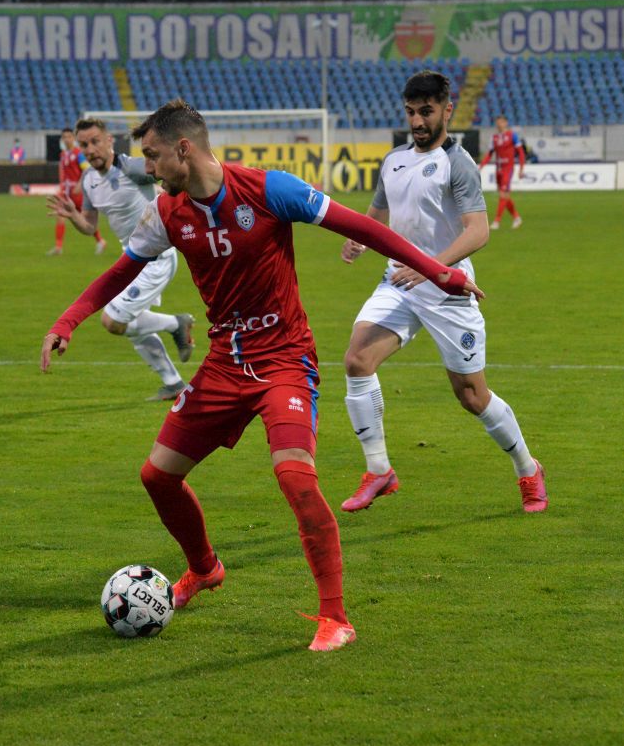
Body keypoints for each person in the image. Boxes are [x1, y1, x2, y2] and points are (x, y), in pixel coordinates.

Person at [41, 99, 483, 651]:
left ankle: (335, 617)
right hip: (224, 363)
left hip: (283, 362)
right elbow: (119, 271)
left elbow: (366, 228)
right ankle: (204, 569)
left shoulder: (271, 189)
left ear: (184, 148)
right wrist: (69, 320)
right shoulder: (166, 214)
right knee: (157, 477)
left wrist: (438, 271)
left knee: (297, 479)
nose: (147, 168)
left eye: (153, 156)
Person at [339, 71, 547, 514]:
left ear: (446, 110)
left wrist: (431, 267)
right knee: (357, 360)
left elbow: (477, 232)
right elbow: (379, 214)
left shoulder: (459, 163)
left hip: (446, 288)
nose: (417, 121)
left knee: (472, 396)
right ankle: (379, 471)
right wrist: (360, 237)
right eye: (411, 112)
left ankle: (528, 468)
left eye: (426, 112)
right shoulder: (393, 160)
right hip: (399, 282)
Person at [48, 117, 196, 401]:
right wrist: (73, 215)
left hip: (157, 257)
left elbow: (177, 175)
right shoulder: (89, 180)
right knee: (130, 325)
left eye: (94, 142)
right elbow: (90, 227)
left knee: (113, 320)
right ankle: (174, 383)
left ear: (109, 141)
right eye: (83, 145)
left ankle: (176, 324)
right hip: (131, 260)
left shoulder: (131, 167)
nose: (90, 150)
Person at [47, 128, 105, 256]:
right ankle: (58, 247)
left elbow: (86, 169)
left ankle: (100, 241)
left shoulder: (79, 154)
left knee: (85, 220)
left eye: (69, 136)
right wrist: (61, 186)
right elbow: (63, 172)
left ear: (73, 138)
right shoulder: (63, 154)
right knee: (60, 216)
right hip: (67, 192)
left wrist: (80, 184)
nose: (66, 139)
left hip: (78, 193)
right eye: (64, 137)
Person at [478, 114, 525, 230]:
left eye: (501, 122)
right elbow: (489, 154)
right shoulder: (494, 137)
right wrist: (481, 166)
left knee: (503, 194)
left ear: (505, 123)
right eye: (497, 122)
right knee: (504, 195)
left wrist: (521, 169)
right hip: (498, 168)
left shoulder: (512, 135)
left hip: (508, 168)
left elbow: (521, 152)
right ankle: (516, 217)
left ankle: (496, 221)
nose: (499, 124)